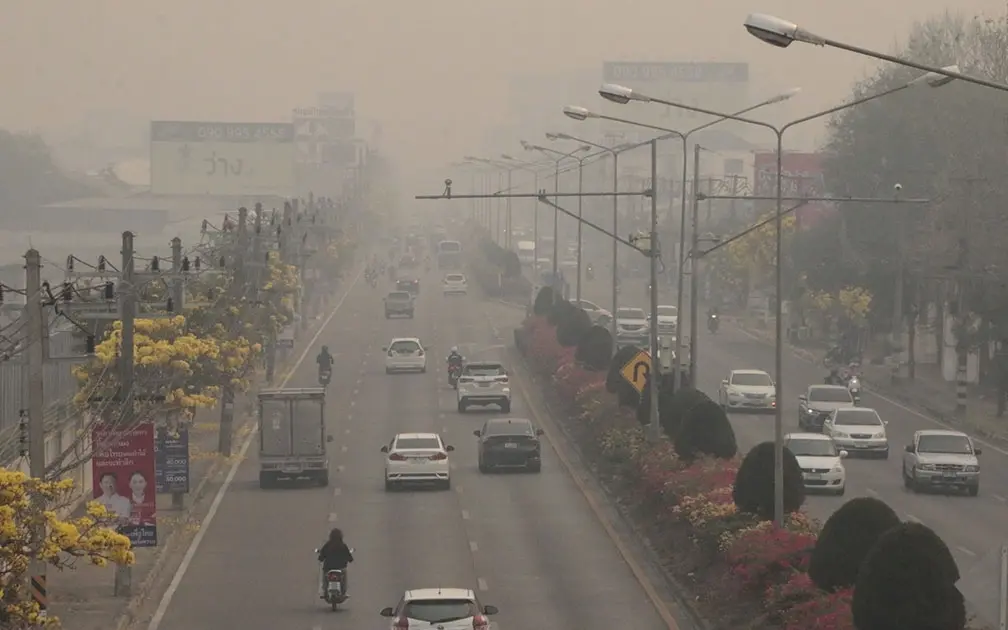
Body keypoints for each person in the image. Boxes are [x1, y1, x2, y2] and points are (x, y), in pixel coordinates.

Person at [317, 527, 354, 598]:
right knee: (344, 578)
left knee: (325, 577)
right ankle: (343, 592)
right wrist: (350, 559)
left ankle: (325, 590)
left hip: (328, 568)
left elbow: (321, 557)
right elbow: (349, 558)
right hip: (341, 568)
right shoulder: (343, 545)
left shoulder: (327, 545)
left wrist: (321, 558)